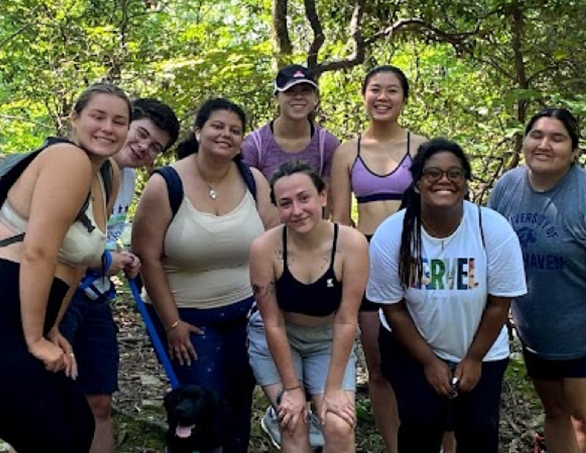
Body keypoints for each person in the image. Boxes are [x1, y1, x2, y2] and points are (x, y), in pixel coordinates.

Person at [0, 82, 132, 453]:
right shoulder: (66, 160)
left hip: (23, 322)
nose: (108, 128)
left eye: (119, 121)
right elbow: (39, 251)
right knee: (52, 439)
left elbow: (75, 261)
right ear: (75, 118)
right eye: (97, 116)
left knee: (79, 424)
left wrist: (53, 328)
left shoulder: (106, 174)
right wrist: (36, 339)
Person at [131, 98, 278, 453]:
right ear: (198, 131)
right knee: (199, 403)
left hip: (246, 312)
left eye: (235, 130)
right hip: (187, 318)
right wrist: (171, 324)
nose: (225, 134)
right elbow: (147, 258)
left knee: (239, 398)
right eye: (217, 126)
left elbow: (276, 241)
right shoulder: (165, 183)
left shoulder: (253, 179)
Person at [367, 139, 527, 453]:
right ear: (417, 183)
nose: (444, 180)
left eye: (455, 174)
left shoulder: (492, 228)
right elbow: (394, 309)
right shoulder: (392, 234)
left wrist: (474, 358)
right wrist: (429, 361)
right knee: (422, 421)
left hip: (481, 346)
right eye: (433, 173)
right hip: (412, 347)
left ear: (466, 183)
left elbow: (499, 303)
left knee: (479, 429)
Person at [488, 108, 586, 453]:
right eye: (537, 135)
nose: (544, 145)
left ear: (573, 150)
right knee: (555, 413)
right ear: (523, 141)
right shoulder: (508, 187)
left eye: (557, 138)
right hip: (538, 333)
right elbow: (494, 251)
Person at [58, 98, 180, 453]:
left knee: (100, 399)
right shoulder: (76, 165)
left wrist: (119, 256)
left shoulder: (124, 176)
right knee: (51, 400)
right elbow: (51, 242)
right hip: (59, 295)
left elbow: (103, 235)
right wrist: (104, 259)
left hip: (93, 295)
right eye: (141, 134)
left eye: (155, 146)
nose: (143, 147)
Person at [329, 64, 427, 453]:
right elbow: (339, 219)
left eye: (392, 90)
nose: (382, 97)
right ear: (364, 95)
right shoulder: (346, 151)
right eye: (375, 89)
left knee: (434, 358)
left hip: (418, 257)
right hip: (367, 261)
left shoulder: (421, 147)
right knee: (380, 366)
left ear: (404, 98)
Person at [248, 160, 368, 453]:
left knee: (338, 425)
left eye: (305, 198)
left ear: (322, 196)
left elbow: (346, 320)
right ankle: (280, 417)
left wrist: (333, 390)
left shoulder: (351, 244)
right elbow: (272, 322)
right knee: (294, 422)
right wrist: (291, 390)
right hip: (278, 338)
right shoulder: (264, 248)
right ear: (276, 207)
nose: (297, 211)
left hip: (328, 339)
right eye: (285, 203)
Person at [241, 64, 340, 182]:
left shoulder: (327, 145)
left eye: (305, 91)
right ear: (276, 98)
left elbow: (331, 195)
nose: (298, 97)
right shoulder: (254, 146)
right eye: (289, 91)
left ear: (315, 98)